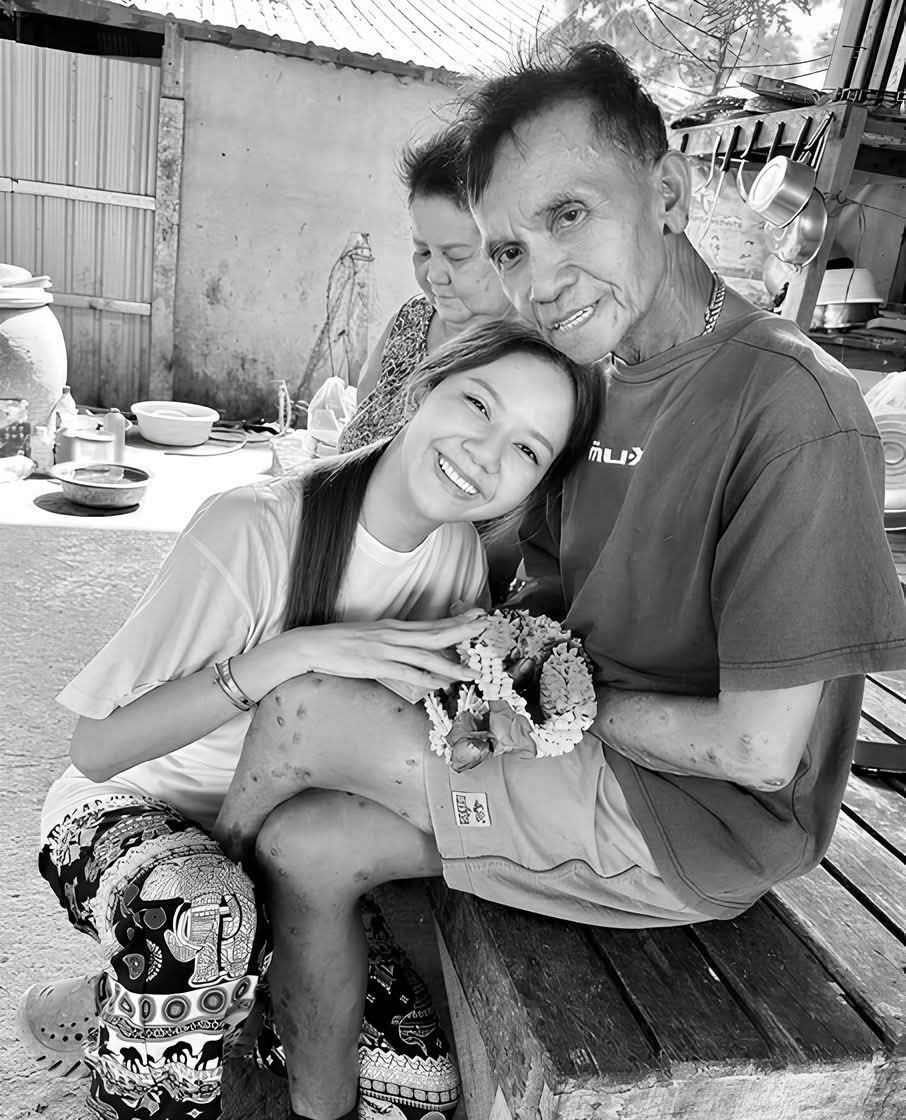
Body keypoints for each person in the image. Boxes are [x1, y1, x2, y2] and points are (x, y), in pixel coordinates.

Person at [201, 38, 906, 1120]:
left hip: (690, 819)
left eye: (570, 215)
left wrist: (554, 706)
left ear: (667, 193)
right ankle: (315, 1097)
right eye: (510, 249)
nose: (541, 279)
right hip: (573, 756)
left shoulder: (793, 409)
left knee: (303, 713)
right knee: (308, 845)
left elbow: (759, 753)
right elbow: (530, 586)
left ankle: (183, 959)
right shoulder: (591, 377)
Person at [20, 320, 601, 1120]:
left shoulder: (459, 557)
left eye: (528, 449)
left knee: (417, 1094)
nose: (485, 452)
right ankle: (158, 999)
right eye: (477, 404)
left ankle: (154, 999)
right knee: (204, 916)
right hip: (135, 814)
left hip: (281, 844)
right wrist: (291, 654)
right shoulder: (251, 526)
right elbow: (96, 748)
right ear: (424, 388)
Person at [338, 123, 515, 456]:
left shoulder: (532, 363)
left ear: (509, 250)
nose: (433, 275)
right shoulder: (411, 321)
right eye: (422, 251)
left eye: (456, 256)